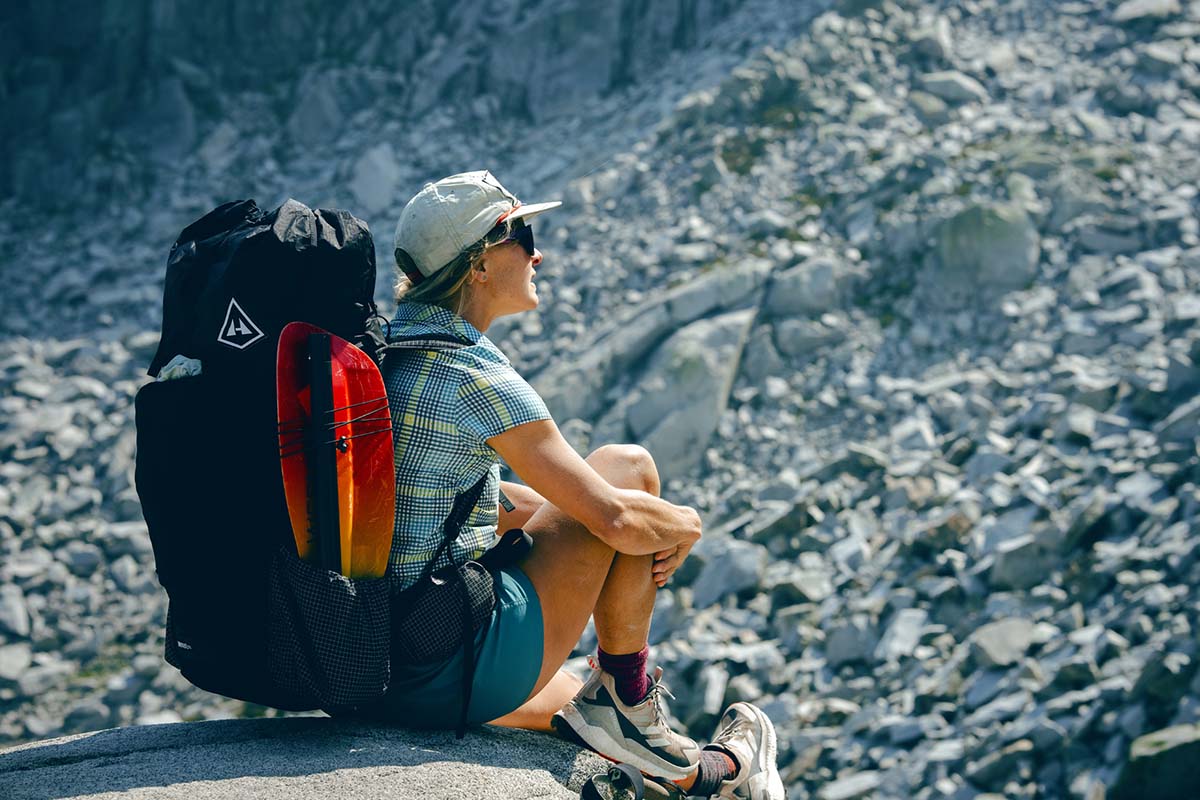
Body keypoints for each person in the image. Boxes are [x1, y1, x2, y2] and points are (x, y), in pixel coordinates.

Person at [374, 170, 785, 799]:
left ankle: (717, 778)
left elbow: (444, 500)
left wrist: (560, 514)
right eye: (523, 235)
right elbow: (618, 517)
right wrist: (686, 525)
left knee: (574, 714)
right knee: (626, 466)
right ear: (479, 264)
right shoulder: (471, 375)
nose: (537, 253)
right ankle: (628, 697)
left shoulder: (390, 355)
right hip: (446, 663)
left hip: (380, 665)